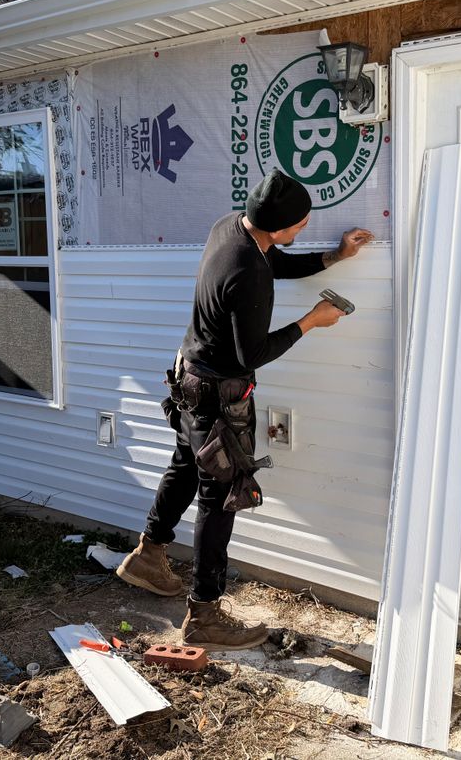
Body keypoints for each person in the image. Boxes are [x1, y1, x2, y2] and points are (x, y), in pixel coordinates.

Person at [117, 170, 373, 650]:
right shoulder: (247, 273)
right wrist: (311, 322)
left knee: (184, 465)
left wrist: (336, 256)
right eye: (298, 226)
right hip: (217, 396)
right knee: (221, 494)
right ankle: (204, 613)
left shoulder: (231, 227)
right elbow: (250, 354)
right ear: (275, 227)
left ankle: (149, 555)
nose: (301, 230)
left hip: (189, 377)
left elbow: (276, 262)